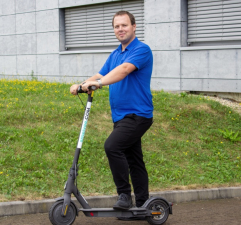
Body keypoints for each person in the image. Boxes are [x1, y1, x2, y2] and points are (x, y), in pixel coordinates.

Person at [70, 10, 153, 220]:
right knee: (134, 159)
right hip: (121, 117)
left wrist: (97, 84)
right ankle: (142, 207)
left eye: (124, 25)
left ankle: (124, 196)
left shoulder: (142, 50)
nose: (120, 29)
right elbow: (101, 74)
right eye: (117, 26)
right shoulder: (115, 54)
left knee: (113, 146)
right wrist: (82, 84)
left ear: (134, 27)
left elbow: (124, 70)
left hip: (138, 114)